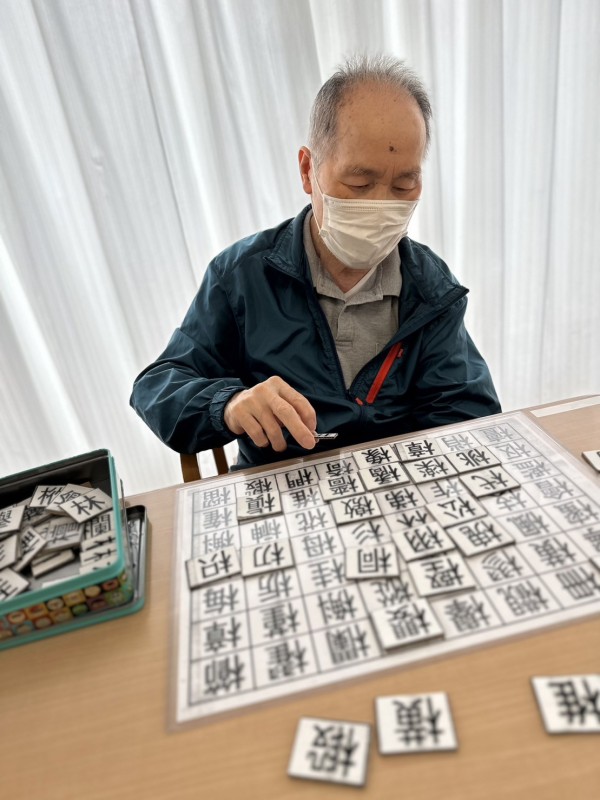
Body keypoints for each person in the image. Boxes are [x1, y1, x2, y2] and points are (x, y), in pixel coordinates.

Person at [130, 55, 501, 470]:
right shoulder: (243, 277)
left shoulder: (429, 287)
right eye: (360, 182)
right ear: (308, 171)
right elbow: (158, 387)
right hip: (281, 491)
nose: (381, 206)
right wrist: (229, 405)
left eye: (404, 185)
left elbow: (468, 413)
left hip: (397, 486)